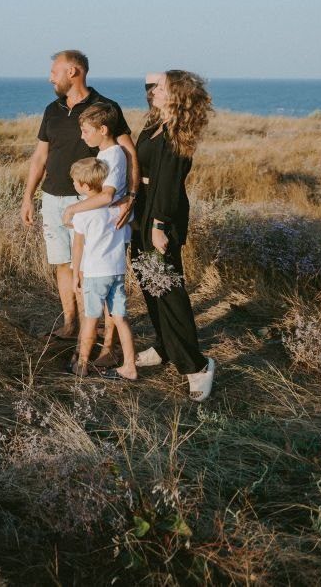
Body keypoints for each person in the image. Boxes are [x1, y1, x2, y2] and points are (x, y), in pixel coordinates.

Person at [21, 50, 138, 342]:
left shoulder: (104, 107)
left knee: (89, 268)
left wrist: (132, 195)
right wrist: (28, 196)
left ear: (73, 71)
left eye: (54, 72)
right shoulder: (52, 110)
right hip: (52, 199)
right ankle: (70, 325)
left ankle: (95, 333)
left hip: (88, 203)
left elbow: (128, 152)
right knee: (63, 264)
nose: (50, 78)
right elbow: (40, 156)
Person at [131, 70, 216, 401]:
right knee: (149, 284)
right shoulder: (155, 125)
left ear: (177, 95)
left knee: (167, 290)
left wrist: (159, 225)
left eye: (161, 87)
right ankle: (164, 346)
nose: (152, 90)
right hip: (143, 210)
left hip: (160, 216)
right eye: (152, 87)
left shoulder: (178, 132)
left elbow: (168, 184)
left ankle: (197, 365)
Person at [62, 101, 131, 368]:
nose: (83, 137)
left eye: (86, 131)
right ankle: (106, 352)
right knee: (112, 305)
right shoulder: (105, 154)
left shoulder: (113, 156)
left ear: (103, 130)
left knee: (100, 308)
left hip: (104, 245)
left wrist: (73, 209)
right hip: (108, 246)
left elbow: (107, 195)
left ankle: (100, 353)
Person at [67, 157, 138, 381]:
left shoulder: (83, 213)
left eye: (75, 181)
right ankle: (130, 365)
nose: (73, 184)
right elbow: (131, 222)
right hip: (116, 270)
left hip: (95, 273)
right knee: (120, 318)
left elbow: (78, 246)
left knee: (90, 319)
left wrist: (75, 274)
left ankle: (82, 365)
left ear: (84, 186)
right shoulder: (118, 206)